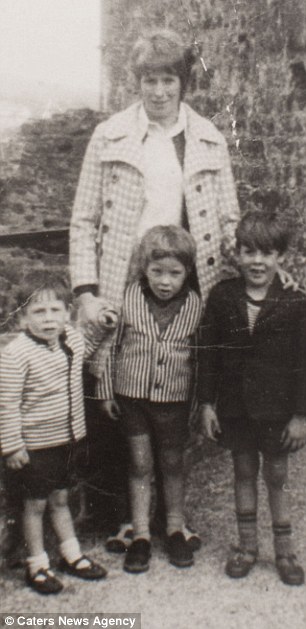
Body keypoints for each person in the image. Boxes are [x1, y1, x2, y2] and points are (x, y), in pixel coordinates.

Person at [70, 28, 240, 549]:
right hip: (123, 278)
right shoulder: (111, 135)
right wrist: (86, 291)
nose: (159, 91)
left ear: (183, 82)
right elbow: (83, 219)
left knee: (178, 384)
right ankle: (115, 514)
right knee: (112, 385)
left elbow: (229, 217)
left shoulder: (208, 137)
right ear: (137, 82)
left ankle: (171, 516)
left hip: (185, 283)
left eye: (168, 79)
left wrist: (257, 264)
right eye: (149, 80)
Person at [199, 211, 306, 586]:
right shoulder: (222, 296)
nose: (257, 261)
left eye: (266, 253)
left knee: (276, 475)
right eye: (248, 252)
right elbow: (208, 353)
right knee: (243, 472)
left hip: (278, 410)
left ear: (280, 256)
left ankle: (286, 551)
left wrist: (300, 415)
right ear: (237, 255)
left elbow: (302, 363)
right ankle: (246, 547)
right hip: (235, 408)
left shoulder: (295, 301)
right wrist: (207, 404)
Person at [0, 271, 109, 595]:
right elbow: (5, 404)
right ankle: (37, 564)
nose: (48, 319)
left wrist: (104, 325)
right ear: (22, 318)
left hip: (67, 440)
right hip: (34, 446)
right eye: (39, 312)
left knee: (61, 499)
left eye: (55, 311)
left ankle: (71, 555)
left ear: (68, 313)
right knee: (33, 506)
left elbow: (87, 347)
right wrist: (12, 447)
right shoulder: (15, 354)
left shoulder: (70, 339)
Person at [104, 225, 202, 572]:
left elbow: (202, 358)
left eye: (175, 273)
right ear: (144, 268)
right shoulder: (128, 297)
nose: (165, 281)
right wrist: (105, 392)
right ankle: (141, 534)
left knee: (173, 463)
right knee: (140, 463)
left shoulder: (195, 305)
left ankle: (175, 527)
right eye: (157, 271)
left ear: (188, 272)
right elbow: (109, 347)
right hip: (133, 400)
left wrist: (199, 403)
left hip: (174, 403)